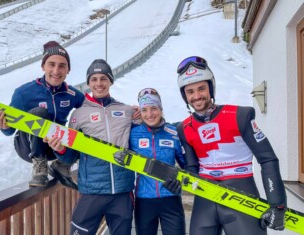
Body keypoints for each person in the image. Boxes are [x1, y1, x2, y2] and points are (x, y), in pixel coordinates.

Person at [173, 56, 287, 235]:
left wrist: (277, 204)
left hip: (242, 196)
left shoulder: (240, 116)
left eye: (201, 88)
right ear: (184, 96)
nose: (197, 96)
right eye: (190, 91)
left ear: (211, 88)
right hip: (206, 201)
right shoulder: (184, 128)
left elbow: (268, 159)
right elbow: (192, 167)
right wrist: (179, 180)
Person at [48, 59, 138, 235]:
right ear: (88, 83)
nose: (99, 83)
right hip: (92, 191)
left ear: (110, 81)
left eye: (103, 78)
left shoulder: (126, 111)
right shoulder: (79, 114)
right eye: (94, 79)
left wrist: (142, 116)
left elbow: (139, 141)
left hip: (122, 191)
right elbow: (70, 157)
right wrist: (60, 149)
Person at [0, 41, 85, 189]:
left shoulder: (73, 95)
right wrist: (3, 124)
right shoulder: (24, 93)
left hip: (55, 146)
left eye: (62, 66)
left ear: (68, 70)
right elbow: (9, 131)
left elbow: (94, 109)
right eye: (51, 64)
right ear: (43, 67)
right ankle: (39, 165)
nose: (56, 70)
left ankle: (62, 165)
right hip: (27, 146)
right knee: (39, 113)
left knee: (87, 119)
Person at [129, 88, 186, 235]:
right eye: (144, 110)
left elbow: (187, 165)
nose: (149, 114)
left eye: (154, 108)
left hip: (171, 198)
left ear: (160, 109)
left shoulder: (173, 133)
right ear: (139, 112)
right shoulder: (133, 133)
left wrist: (180, 181)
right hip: (144, 200)